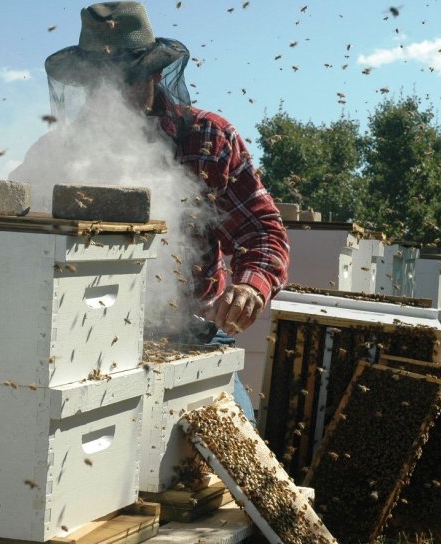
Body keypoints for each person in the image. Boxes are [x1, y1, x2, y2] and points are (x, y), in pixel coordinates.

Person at [43, 2, 289, 420]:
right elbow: (17, 225)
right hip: (85, 339)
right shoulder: (60, 151)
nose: (111, 96)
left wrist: (250, 287)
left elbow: (262, 230)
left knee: (238, 437)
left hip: (191, 334)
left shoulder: (209, 137)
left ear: (155, 74)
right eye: (99, 84)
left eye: (125, 81)